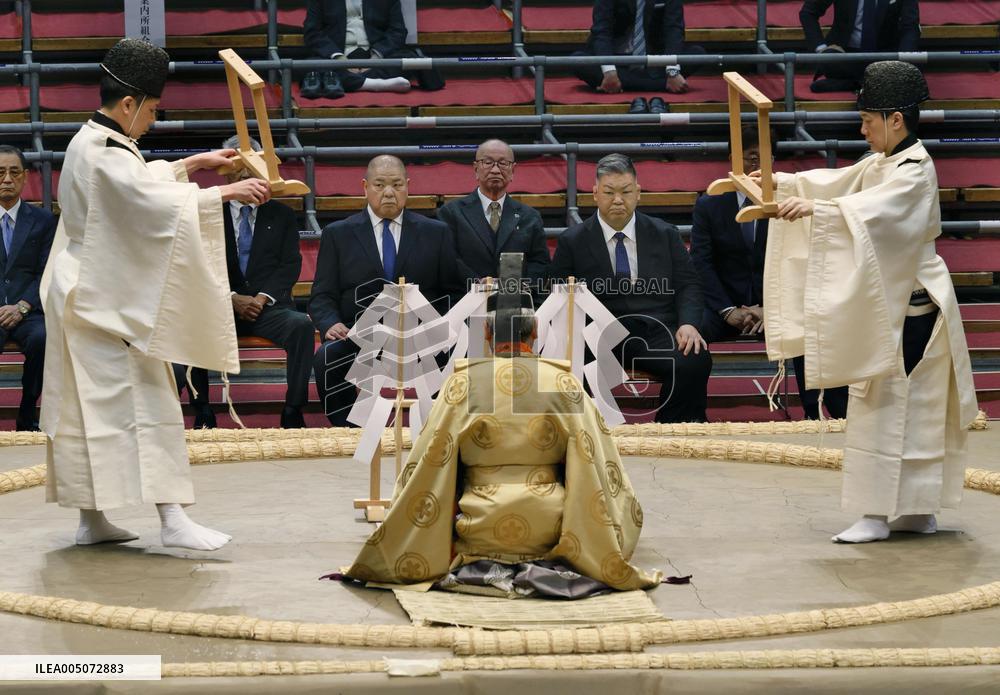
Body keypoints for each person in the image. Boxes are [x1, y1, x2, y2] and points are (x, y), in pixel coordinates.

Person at [39, 39, 271, 550]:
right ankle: (172, 518)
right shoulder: (103, 152)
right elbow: (148, 204)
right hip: (101, 295)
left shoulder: (93, 140)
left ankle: (92, 520)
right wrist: (225, 192)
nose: (152, 120)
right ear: (129, 104)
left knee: (88, 408)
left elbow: (141, 182)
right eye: (151, 110)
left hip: (88, 287)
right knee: (148, 398)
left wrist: (195, 163)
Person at [343, 255, 661, 594]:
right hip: (550, 527)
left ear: (486, 332)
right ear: (536, 331)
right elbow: (596, 463)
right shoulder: (562, 383)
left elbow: (430, 464)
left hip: (479, 525)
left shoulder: (462, 384)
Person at [758, 61, 977, 543]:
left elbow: (872, 211)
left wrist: (818, 209)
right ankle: (894, 511)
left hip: (913, 302)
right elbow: (838, 183)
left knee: (907, 403)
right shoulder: (882, 162)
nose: (862, 130)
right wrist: (782, 184)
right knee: (887, 400)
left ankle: (899, 512)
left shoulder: (915, 170)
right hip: (889, 299)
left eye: (867, 120)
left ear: (895, 119)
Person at [690, 128, 847, 420]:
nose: (758, 166)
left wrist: (770, 308)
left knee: (809, 324)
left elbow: (800, 260)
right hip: (725, 308)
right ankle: (692, 416)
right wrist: (727, 311)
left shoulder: (788, 202)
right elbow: (701, 264)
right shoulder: (709, 205)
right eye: (751, 158)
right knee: (691, 331)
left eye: (765, 159)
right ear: (733, 159)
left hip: (778, 306)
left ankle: (819, 414)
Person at [549, 154, 710, 423]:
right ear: (595, 194)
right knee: (567, 362)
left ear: (638, 193)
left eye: (625, 192)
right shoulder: (572, 241)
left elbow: (688, 284)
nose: (617, 200)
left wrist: (689, 323)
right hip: (598, 335)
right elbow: (556, 294)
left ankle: (673, 430)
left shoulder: (665, 233)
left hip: (656, 330)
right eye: (609, 192)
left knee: (694, 357)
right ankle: (587, 432)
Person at [309, 154, 460, 426]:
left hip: (421, 336)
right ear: (365, 187)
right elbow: (322, 295)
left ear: (408, 186)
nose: (389, 192)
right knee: (327, 357)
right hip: (359, 336)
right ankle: (349, 431)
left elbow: (452, 291)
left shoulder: (436, 233)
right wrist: (330, 322)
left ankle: (438, 429)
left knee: (460, 353)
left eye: (397, 185)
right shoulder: (338, 234)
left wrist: (442, 327)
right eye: (379, 185)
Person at [174, 136, 314, 430]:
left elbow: (289, 265)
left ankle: (293, 409)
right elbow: (195, 265)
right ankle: (203, 409)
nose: (245, 175)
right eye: (238, 168)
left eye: (252, 168)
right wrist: (230, 297)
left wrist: (261, 299)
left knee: (301, 325)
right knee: (192, 323)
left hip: (267, 308)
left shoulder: (283, 215)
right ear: (225, 173)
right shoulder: (207, 213)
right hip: (218, 306)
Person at [437, 139, 549, 296]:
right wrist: (478, 285)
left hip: (516, 301)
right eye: (488, 162)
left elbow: (540, 262)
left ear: (513, 170)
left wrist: (518, 287)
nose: (495, 170)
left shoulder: (530, 217)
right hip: (465, 301)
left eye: (503, 163)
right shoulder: (451, 213)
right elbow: (449, 259)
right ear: (476, 169)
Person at [0, 144, 56, 431]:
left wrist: (23, 306)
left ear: (24, 177)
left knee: (43, 338)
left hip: (28, 309)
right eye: (0, 173)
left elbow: (48, 271)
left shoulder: (43, 220)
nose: (7, 179)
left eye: (14, 172)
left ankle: (27, 411)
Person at [571, 0, 705, 114]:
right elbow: (601, 31)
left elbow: (674, 30)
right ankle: (662, 84)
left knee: (698, 54)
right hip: (617, 60)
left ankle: (625, 83)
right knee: (578, 61)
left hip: (657, 61)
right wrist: (609, 70)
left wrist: (672, 70)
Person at [300, 0, 444, 99]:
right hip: (338, 56)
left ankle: (349, 82)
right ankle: (379, 84)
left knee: (409, 59)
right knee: (308, 66)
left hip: (376, 56)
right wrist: (339, 58)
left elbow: (398, 31)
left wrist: (375, 58)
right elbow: (312, 32)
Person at [800, 0, 920, 93]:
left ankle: (854, 83)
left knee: (899, 66)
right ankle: (874, 81)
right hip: (845, 55)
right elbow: (808, 13)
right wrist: (821, 49)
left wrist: (903, 64)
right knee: (830, 58)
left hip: (883, 55)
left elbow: (910, 27)